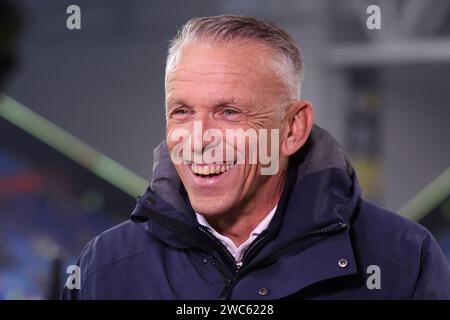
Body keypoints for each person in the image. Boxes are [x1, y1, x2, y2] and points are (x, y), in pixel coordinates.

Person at [62, 15, 450, 300]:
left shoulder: (402, 258)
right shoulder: (104, 267)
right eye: (181, 111)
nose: (198, 139)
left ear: (293, 129)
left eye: (229, 112)